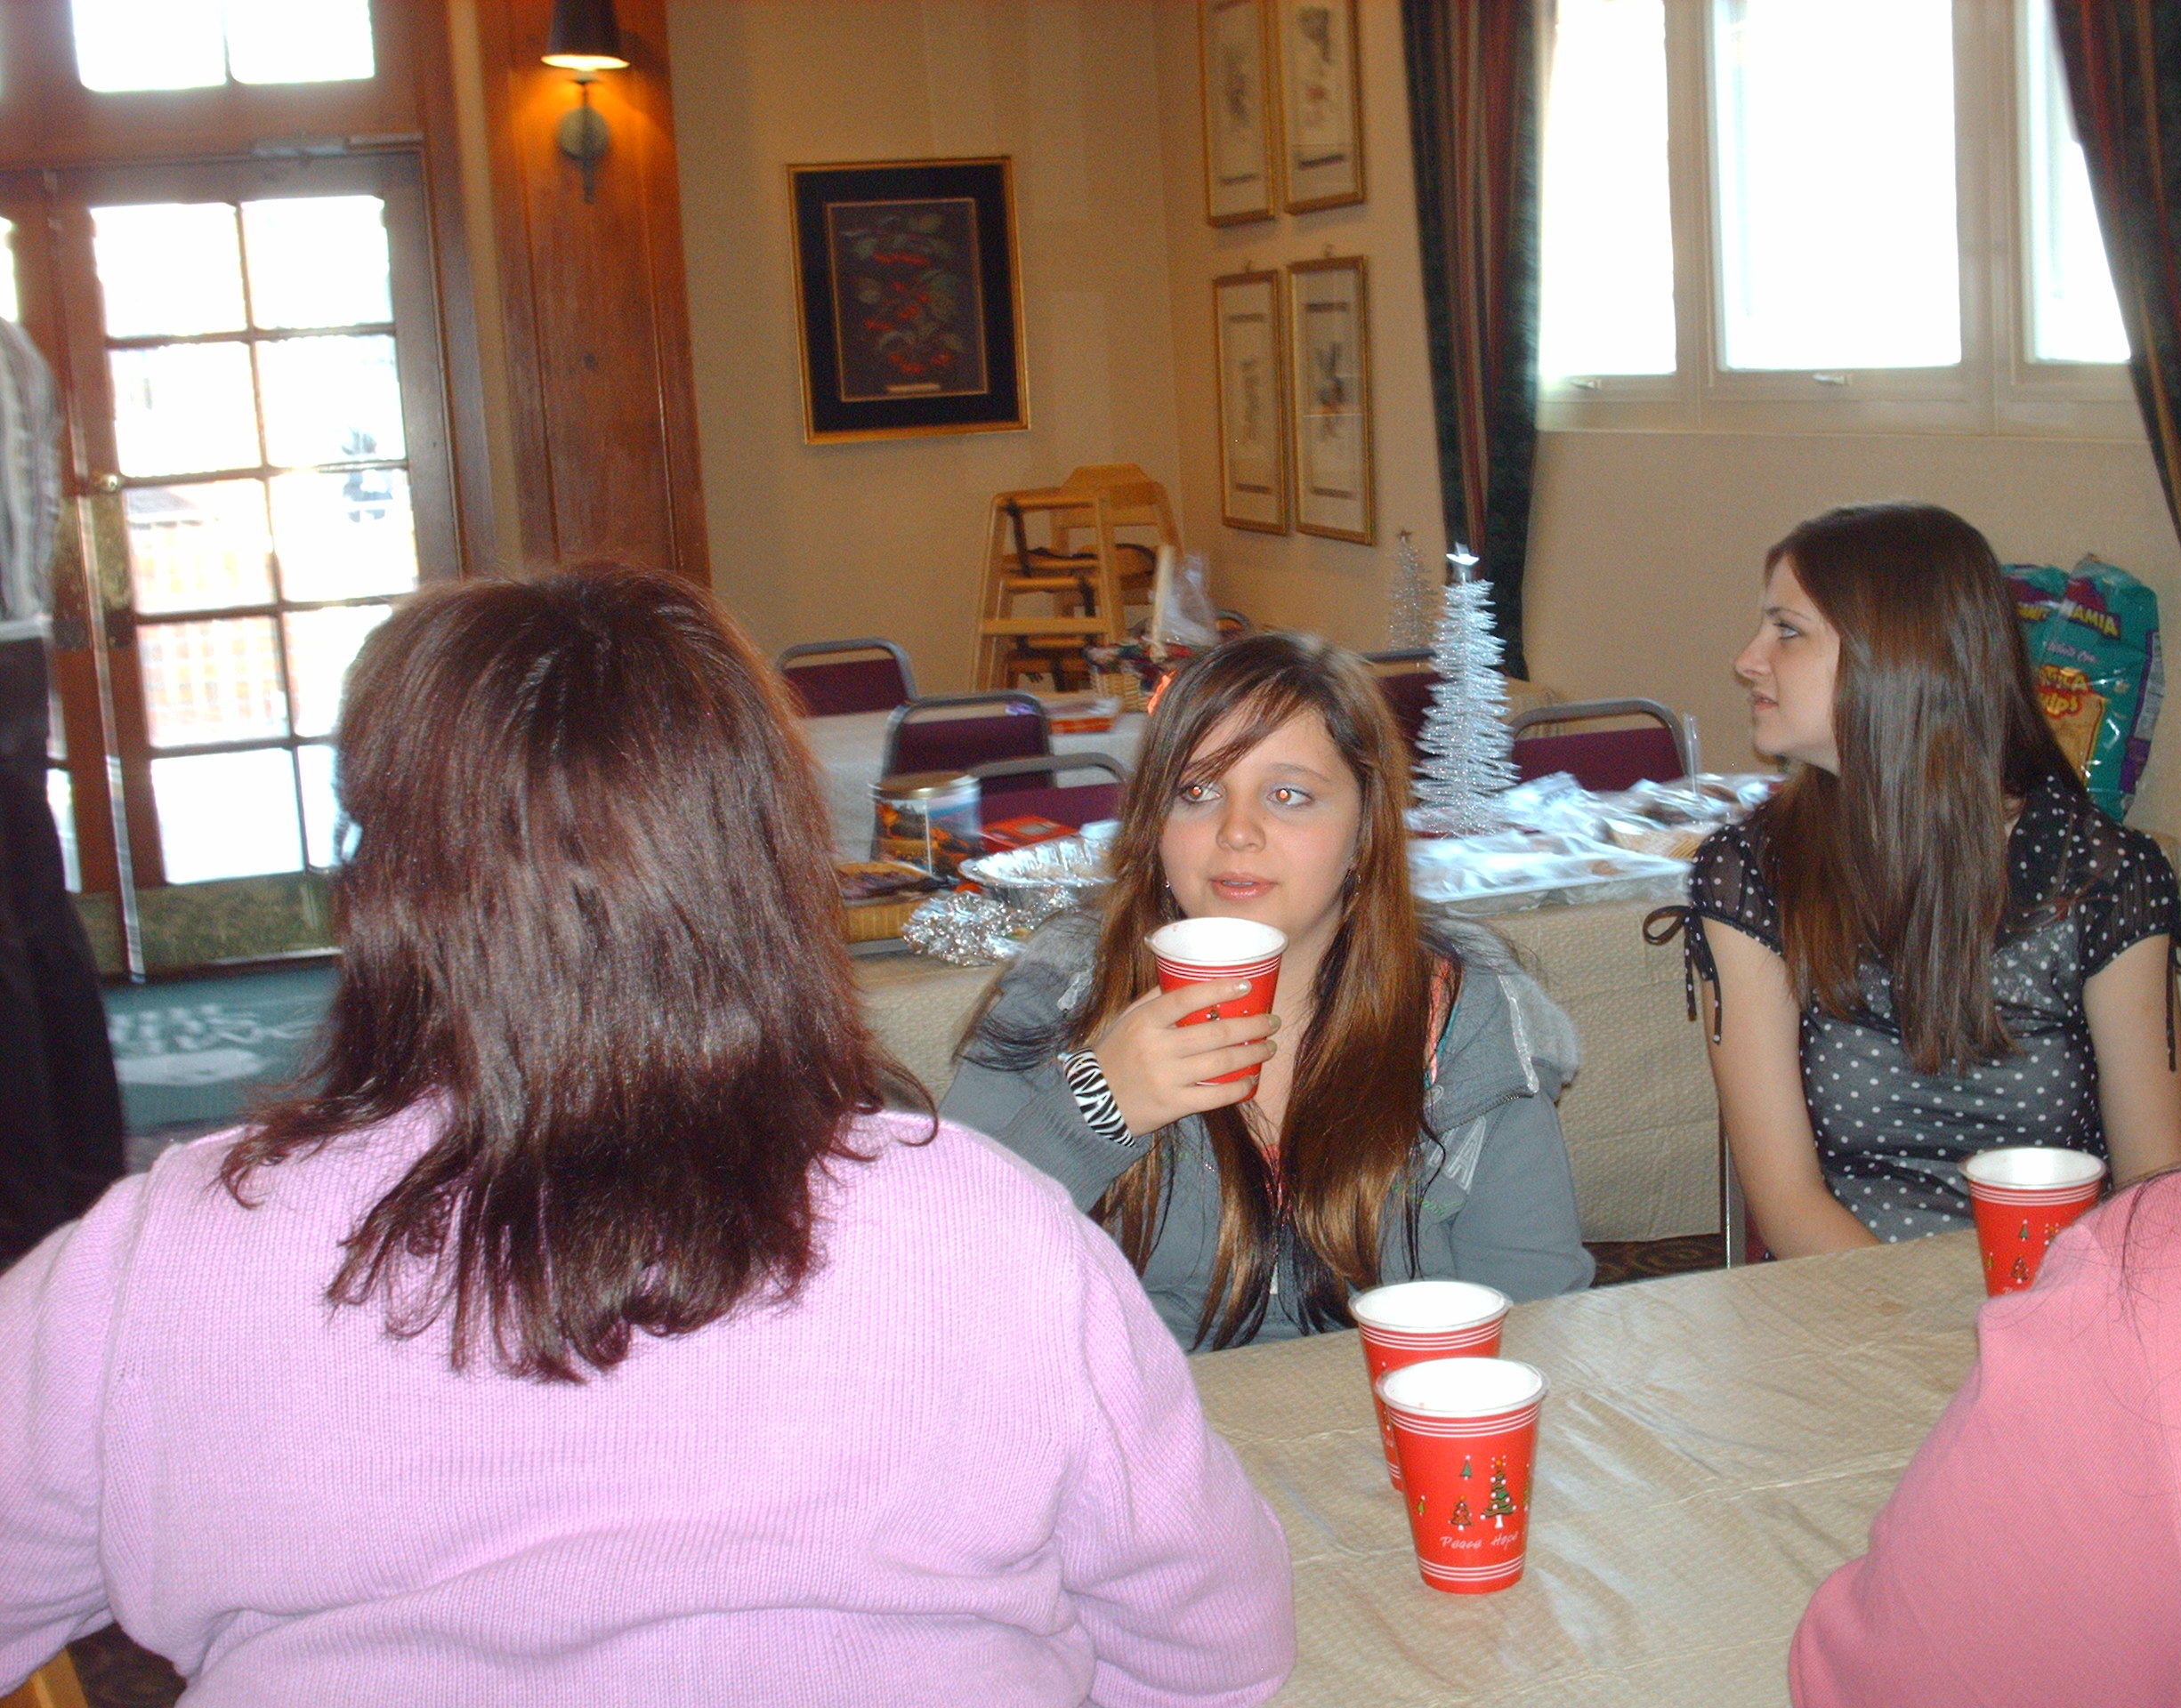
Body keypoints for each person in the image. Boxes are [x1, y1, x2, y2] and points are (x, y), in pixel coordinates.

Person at [0, 568, 1294, 1705]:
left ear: (380, 883)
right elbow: (1215, 1650)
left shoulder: (161, 1260)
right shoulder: (993, 1232)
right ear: (771, 870)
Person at [943, 632, 1593, 1351]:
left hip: (1388, 1407)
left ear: (1364, 831)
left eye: (1288, 795)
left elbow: (1535, 1305)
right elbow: (933, 1277)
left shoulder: (1462, 1008)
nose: (1237, 832)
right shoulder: (1064, 992)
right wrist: (1096, 1108)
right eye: (1197, 791)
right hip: (1136, 1412)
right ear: (1154, 825)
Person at [1671, 503, 2181, 1258]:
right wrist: (1911, 1326)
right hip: (1847, 1296)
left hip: (2062, 1294)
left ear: (1897, 656)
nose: (1747, 660)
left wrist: (2032, 1322)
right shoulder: (1755, 870)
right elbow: (1786, 1199)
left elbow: (2154, 1193)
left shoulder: (2101, 879)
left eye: (1787, 630)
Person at [1789, 1159, 2181, 1704]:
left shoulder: (2169, 1251)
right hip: (1877, 1311)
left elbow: (2155, 1171)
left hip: (2072, 1304)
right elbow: (1789, 1200)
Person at [0, 317, 123, 1268]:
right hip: (14, 648)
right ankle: (82, 1175)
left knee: (18, 930)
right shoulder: (14, 350)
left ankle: (25, 1211)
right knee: (34, 918)